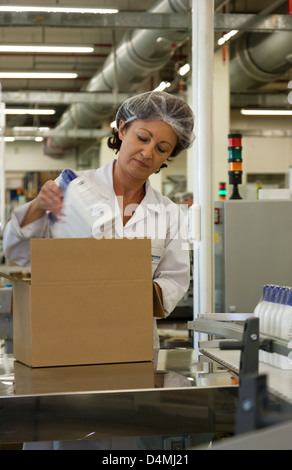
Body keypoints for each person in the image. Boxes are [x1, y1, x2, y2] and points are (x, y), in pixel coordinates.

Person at [3, 90, 195, 450]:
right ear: (122, 129)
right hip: (61, 344)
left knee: (120, 437)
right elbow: (19, 252)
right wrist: (36, 208)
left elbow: (173, 280)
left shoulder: (168, 213)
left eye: (162, 148)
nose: (148, 152)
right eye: (142, 137)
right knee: (60, 434)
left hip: (131, 347)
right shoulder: (72, 189)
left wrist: (123, 291)